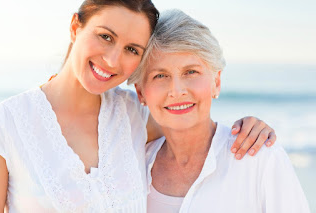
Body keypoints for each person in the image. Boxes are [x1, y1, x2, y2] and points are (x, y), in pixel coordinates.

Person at [0, 1, 276, 212]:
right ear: (74, 27)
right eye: (105, 36)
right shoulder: (6, 123)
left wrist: (250, 126)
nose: (113, 60)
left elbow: (196, 122)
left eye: (132, 50)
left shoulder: (136, 115)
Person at [132, 9, 310, 213]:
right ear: (140, 92)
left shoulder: (261, 159)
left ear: (216, 82)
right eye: (160, 76)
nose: (177, 91)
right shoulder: (134, 165)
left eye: (191, 72)